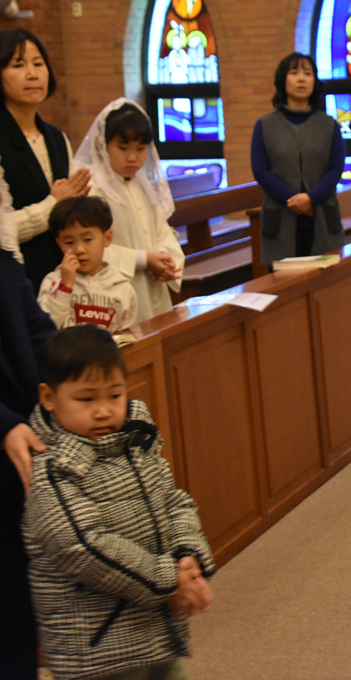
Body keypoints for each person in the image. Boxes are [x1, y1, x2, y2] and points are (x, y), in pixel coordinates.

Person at [22, 325, 214, 680]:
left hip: (156, 630)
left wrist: (187, 556)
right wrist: (170, 581)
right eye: (86, 399)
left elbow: (174, 502)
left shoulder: (135, 443)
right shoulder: (52, 471)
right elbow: (83, 548)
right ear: (48, 397)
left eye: (115, 395)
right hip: (98, 651)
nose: (103, 411)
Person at [0, 165, 56, 680]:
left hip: (20, 445)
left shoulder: (1, 262)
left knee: (17, 599)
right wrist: (3, 423)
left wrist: (85, 376)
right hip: (5, 432)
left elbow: (38, 333)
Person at [75, 98, 183, 322]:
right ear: (102, 145)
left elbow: (161, 231)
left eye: (141, 149)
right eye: (122, 148)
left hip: (152, 282)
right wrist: (143, 259)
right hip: (114, 290)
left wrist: (164, 257)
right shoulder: (92, 189)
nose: (133, 157)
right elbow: (86, 245)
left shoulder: (141, 185)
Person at [0, 28, 91, 291]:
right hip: (16, 283)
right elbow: (3, 231)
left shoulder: (56, 137)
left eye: (38, 64)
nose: (32, 74)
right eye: (18, 65)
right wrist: (53, 204)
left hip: (64, 278)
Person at [251, 51, 346, 268]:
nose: (301, 79)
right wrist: (293, 199)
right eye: (294, 73)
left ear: (315, 81)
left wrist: (311, 199)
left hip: (322, 214)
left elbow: (336, 169)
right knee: (284, 282)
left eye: (308, 73)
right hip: (280, 216)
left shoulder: (329, 125)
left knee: (326, 279)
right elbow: (261, 171)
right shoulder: (265, 125)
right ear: (282, 80)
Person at [37, 196, 138, 332]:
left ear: (107, 238)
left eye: (87, 239)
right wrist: (64, 287)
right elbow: (44, 328)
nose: (79, 250)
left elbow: (125, 334)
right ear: (59, 244)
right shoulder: (53, 282)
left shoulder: (121, 287)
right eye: (69, 242)